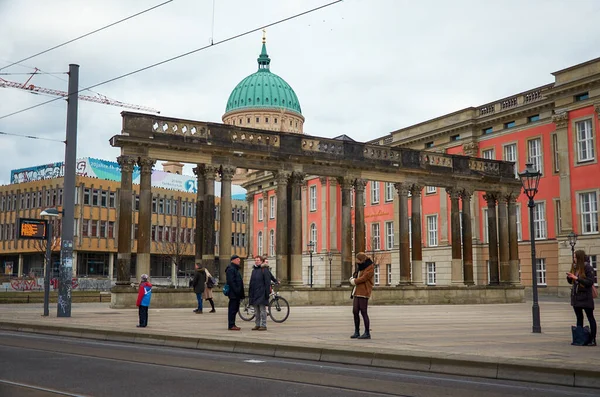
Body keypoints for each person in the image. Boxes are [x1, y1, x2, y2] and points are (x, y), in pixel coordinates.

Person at [567, 250, 597, 346]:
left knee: (590, 317)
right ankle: (579, 338)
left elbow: (590, 282)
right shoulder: (575, 268)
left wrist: (577, 278)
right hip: (576, 297)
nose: (574, 259)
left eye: (575, 257)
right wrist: (570, 277)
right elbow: (572, 282)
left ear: (579, 258)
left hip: (586, 297)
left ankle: (592, 339)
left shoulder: (588, 267)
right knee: (579, 318)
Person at [349, 252, 374, 339]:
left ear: (361, 259)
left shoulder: (370, 267)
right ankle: (357, 331)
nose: (356, 261)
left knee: (364, 312)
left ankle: (367, 333)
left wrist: (354, 281)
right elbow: (357, 275)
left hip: (364, 291)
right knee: (355, 311)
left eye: (357, 259)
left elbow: (364, 278)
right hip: (357, 291)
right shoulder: (360, 267)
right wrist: (353, 277)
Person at [249, 255, 276, 331]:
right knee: (256, 311)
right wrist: (250, 293)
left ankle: (263, 325)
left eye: (258, 260)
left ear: (261, 261)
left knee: (262, 310)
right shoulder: (254, 271)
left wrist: (266, 293)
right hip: (255, 293)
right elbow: (251, 282)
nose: (256, 261)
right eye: (256, 260)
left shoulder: (264, 270)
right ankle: (257, 324)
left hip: (262, 293)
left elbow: (267, 283)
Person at [225, 255, 245, 330]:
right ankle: (231, 325)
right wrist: (237, 290)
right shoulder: (231, 269)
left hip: (236, 293)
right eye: (237, 259)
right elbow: (231, 282)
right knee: (232, 309)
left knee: (235, 309)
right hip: (234, 294)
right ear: (233, 260)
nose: (239, 261)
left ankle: (232, 324)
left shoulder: (235, 269)